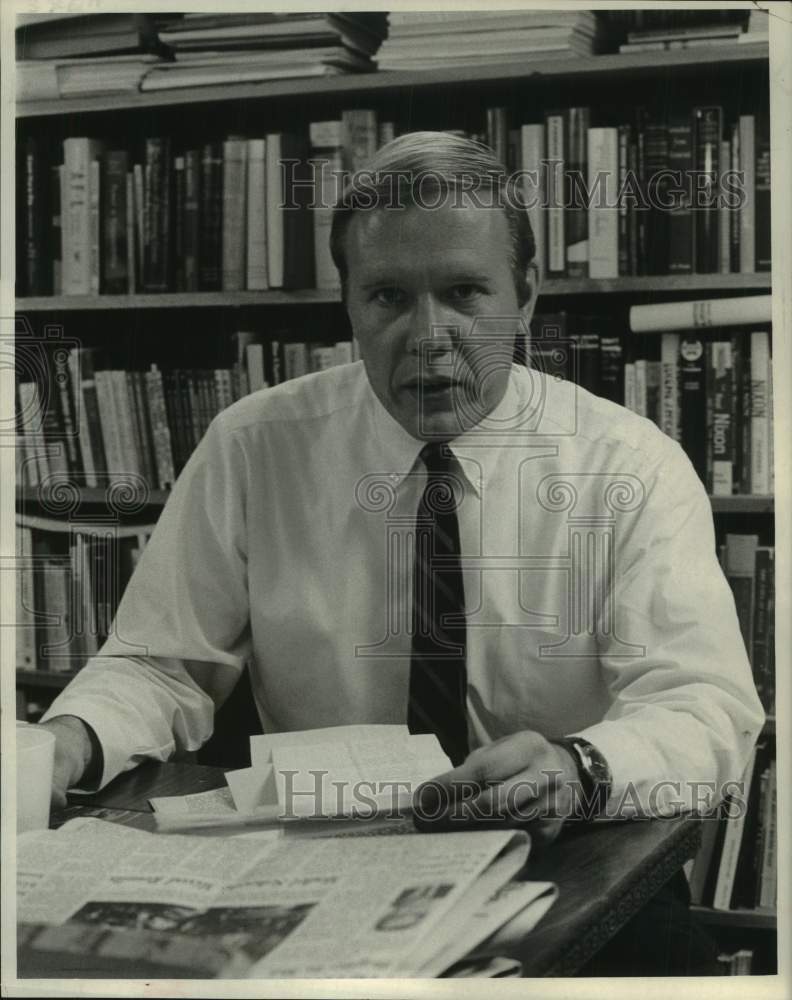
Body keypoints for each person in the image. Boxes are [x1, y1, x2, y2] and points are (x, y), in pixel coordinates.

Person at [37, 132, 763, 971]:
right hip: (327, 856)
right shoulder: (254, 445)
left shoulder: (627, 464)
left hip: (569, 847)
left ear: (526, 297)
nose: (430, 336)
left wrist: (577, 766)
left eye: (464, 293)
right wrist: (69, 740)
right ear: (347, 305)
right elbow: (160, 665)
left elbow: (707, 710)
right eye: (388, 297)